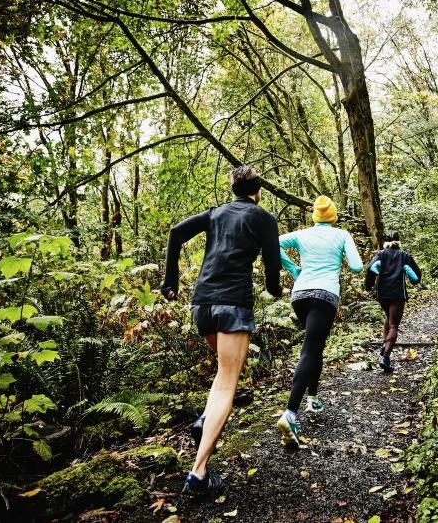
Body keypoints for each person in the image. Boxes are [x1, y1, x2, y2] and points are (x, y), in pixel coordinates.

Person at [160, 166, 282, 497]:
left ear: (235, 190)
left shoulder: (215, 214)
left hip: (202, 304)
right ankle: (198, 474)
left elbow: (175, 233)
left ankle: (205, 420)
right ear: (258, 192)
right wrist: (275, 289)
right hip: (233, 304)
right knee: (228, 382)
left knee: (222, 374)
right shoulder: (263, 218)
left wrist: (170, 281)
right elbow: (273, 268)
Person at [275, 195, 363, 446]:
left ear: (314, 216)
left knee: (316, 346)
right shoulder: (342, 234)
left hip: (300, 295)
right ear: (334, 216)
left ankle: (313, 397)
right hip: (325, 296)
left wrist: (293, 268)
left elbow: (273, 243)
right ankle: (290, 412)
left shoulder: (301, 234)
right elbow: (356, 267)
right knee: (310, 350)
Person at [365, 232, 421, 373]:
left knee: (389, 319)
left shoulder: (380, 254)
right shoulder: (404, 256)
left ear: (385, 243)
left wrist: (369, 285)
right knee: (394, 325)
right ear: (398, 242)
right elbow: (415, 277)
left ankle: (386, 354)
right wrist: (412, 277)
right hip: (397, 295)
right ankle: (385, 356)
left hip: (383, 294)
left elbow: (371, 268)